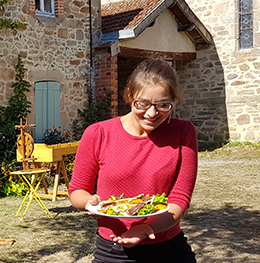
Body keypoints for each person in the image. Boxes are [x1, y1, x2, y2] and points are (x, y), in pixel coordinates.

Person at [69, 59, 198, 263]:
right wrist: (89, 202)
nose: (152, 113)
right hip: (113, 250)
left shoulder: (183, 132)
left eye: (163, 105)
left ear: (173, 100)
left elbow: (180, 198)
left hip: (169, 249)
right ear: (129, 96)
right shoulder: (98, 133)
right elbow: (76, 190)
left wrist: (148, 228)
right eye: (143, 103)